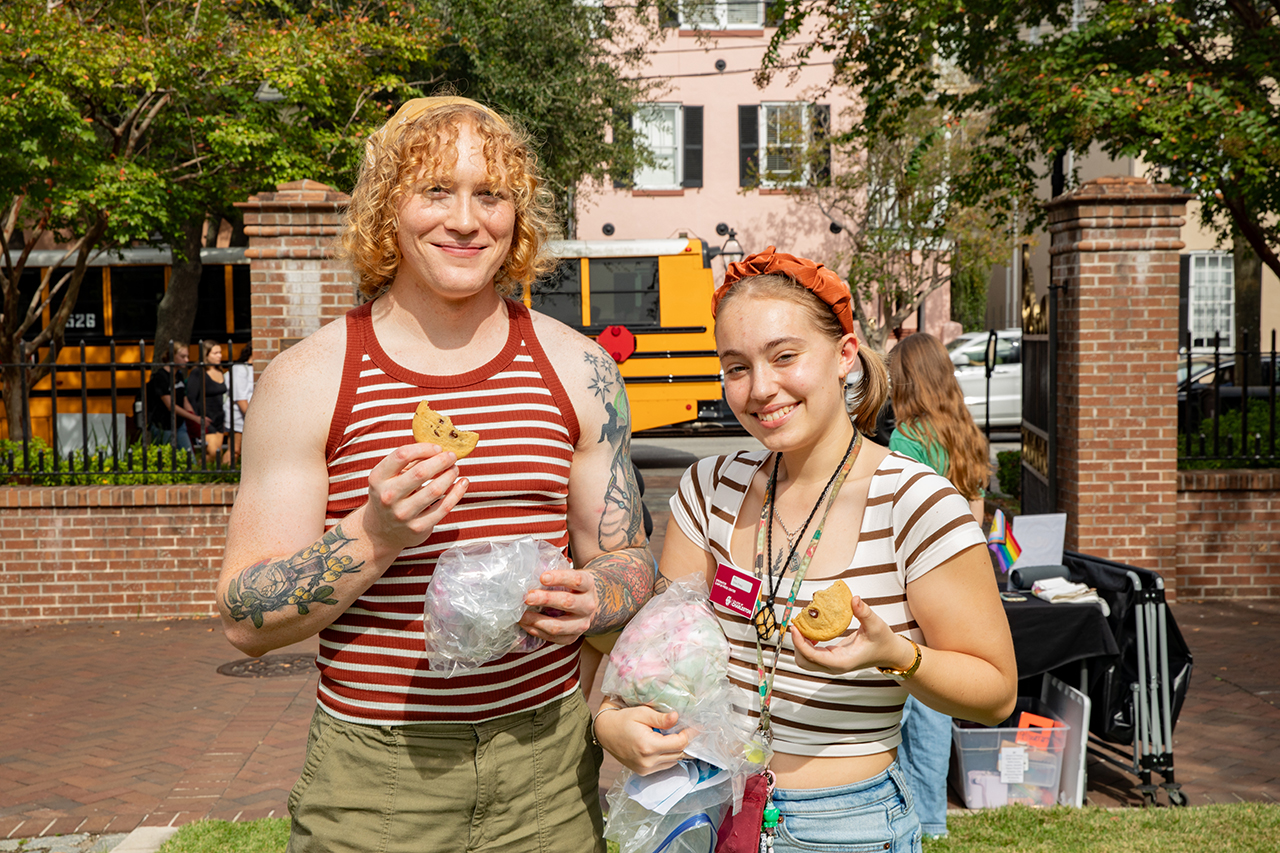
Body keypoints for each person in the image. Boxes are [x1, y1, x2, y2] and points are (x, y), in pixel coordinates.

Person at [218, 96, 655, 853]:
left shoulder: (582, 370)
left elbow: (629, 558)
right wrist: (372, 534)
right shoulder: (309, 379)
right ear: (388, 210)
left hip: (547, 769)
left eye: (489, 194)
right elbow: (242, 616)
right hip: (375, 776)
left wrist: (597, 597)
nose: (464, 220)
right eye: (435, 191)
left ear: (516, 215)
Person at [593, 248, 1016, 853]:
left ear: (845, 355)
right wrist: (612, 718)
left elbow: (997, 691)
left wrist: (893, 652)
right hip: (710, 803)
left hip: (848, 826)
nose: (761, 389)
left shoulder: (916, 503)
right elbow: (662, 654)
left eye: (784, 356)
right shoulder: (710, 487)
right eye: (735, 367)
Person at [886, 331, 993, 840]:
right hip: (962, 579)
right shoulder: (967, 433)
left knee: (906, 697)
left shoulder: (906, 440)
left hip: (916, 583)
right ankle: (933, 818)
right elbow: (977, 517)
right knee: (937, 706)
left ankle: (909, 813)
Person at [144, 341, 204, 452]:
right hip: (163, 425)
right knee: (166, 457)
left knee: (189, 458)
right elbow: (170, 406)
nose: (186, 360)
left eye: (187, 356)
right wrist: (194, 418)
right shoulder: (161, 377)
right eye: (182, 356)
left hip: (179, 424)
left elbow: (184, 399)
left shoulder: (179, 375)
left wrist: (194, 419)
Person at [187, 339, 229, 466]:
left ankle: (208, 478)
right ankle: (196, 472)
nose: (219, 356)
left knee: (218, 454)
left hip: (219, 418)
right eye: (215, 353)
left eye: (220, 352)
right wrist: (198, 418)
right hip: (206, 418)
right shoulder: (198, 373)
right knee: (213, 452)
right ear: (206, 355)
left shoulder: (220, 371)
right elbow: (191, 398)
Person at [222, 342, 254, 464]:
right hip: (239, 418)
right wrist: (252, 417)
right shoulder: (240, 369)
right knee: (235, 450)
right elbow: (240, 398)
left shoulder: (253, 369)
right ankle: (226, 474)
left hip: (248, 417)